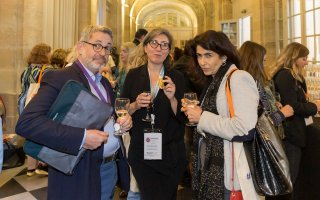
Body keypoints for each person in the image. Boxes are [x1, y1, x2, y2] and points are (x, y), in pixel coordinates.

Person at [15, 25, 132, 200]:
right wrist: (82, 137)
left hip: (109, 169)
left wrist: (121, 124)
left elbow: (103, 120)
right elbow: (27, 123)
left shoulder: (105, 83)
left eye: (107, 47)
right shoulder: (60, 77)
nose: (103, 52)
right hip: (78, 174)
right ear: (80, 48)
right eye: (97, 45)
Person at [181, 30, 260, 200]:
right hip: (212, 167)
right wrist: (195, 112)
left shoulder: (238, 77)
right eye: (199, 56)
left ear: (224, 56)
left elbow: (244, 128)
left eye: (208, 55)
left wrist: (201, 117)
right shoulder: (215, 79)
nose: (202, 62)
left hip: (229, 171)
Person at [121, 28, 187, 200]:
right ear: (145, 47)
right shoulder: (134, 76)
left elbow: (184, 117)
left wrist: (173, 99)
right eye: (154, 43)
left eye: (164, 45)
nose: (159, 48)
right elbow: (121, 110)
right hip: (142, 151)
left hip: (170, 152)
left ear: (169, 50)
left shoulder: (177, 77)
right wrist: (135, 104)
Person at [269, 42, 320, 199]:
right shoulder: (285, 75)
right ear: (294, 57)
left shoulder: (293, 75)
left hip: (295, 131)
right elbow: (292, 105)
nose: (306, 62)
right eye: (304, 58)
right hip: (291, 132)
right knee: (289, 177)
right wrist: (314, 107)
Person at [239, 41, 294, 132]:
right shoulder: (248, 83)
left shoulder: (252, 80)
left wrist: (272, 105)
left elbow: (262, 108)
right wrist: (281, 114)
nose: (264, 65)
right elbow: (256, 124)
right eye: (263, 61)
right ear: (254, 61)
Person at [18, 43, 54, 177]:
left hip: (23, 104)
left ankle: (30, 168)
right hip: (38, 105)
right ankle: (42, 165)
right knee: (43, 133)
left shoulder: (26, 70)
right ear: (45, 54)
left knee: (30, 134)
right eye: (49, 52)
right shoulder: (48, 70)